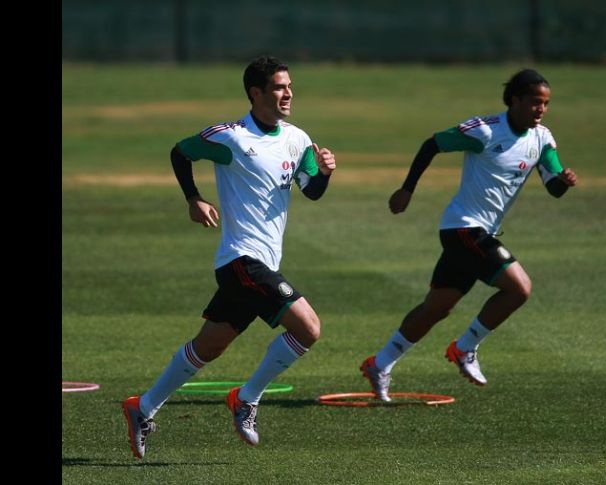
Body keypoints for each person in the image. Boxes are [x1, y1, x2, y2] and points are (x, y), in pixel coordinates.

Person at [122, 55, 336, 458]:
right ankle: (247, 398)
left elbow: (311, 190)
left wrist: (324, 171)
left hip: (263, 265)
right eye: (278, 87)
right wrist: (193, 198)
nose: (288, 93)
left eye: (289, 86)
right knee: (308, 328)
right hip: (241, 260)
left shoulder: (298, 139)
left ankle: (143, 407)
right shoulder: (231, 137)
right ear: (256, 94)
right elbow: (180, 152)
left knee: (210, 345)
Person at [360, 69, 577, 401]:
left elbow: (554, 187)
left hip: (476, 233)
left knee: (437, 308)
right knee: (519, 289)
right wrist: (406, 190)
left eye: (546, 104)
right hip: (463, 228)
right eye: (535, 102)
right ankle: (465, 348)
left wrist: (564, 180)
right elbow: (432, 143)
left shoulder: (542, 139)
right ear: (515, 100)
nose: (541, 109)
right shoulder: (486, 131)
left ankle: (380, 363)